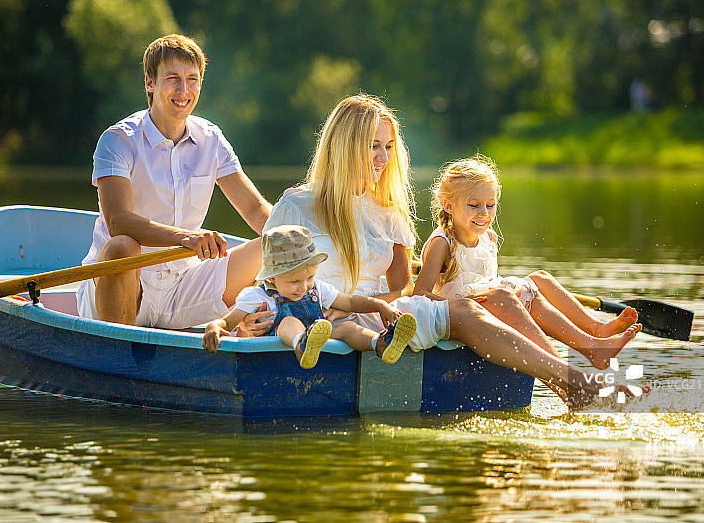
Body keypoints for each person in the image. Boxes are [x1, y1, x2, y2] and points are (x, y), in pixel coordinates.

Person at [257, 93, 646, 409]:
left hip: (380, 316)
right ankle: (573, 379)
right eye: (373, 146)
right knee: (476, 302)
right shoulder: (296, 205)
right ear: (343, 148)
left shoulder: (388, 212)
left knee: (481, 301)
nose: (383, 157)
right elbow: (267, 283)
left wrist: (369, 303)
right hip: (314, 318)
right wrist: (254, 319)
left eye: (388, 146)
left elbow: (402, 289)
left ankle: (572, 379)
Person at [76, 34, 273, 331]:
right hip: (122, 285)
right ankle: (115, 352)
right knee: (121, 247)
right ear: (150, 83)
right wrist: (187, 238)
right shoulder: (118, 140)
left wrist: (297, 242)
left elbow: (257, 211)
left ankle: (261, 322)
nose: (184, 90)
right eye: (172, 79)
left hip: (183, 287)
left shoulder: (212, 139)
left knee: (271, 243)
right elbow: (118, 221)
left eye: (192, 80)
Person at [413, 155, 642, 370]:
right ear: (449, 206)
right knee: (515, 293)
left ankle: (595, 331)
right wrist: (465, 302)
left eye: (490, 205)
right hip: (463, 317)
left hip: (491, 306)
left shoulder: (488, 238)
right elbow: (420, 295)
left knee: (539, 278)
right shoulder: (441, 244)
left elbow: (489, 281)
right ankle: (582, 355)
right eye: (474, 205)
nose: (484, 213)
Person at [202, 225, 418, 368]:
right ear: (272, 279)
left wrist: (380, 305)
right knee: (288, 321)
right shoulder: (257, 296)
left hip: (319, 341)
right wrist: (214, 326)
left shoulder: (317, 290)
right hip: (278, 354)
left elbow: (350, 301)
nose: (304, 287)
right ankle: (301, 344)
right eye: (294, 281)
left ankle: (381, 343)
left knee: (347, 328)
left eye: (310, 278)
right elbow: (227, 321)